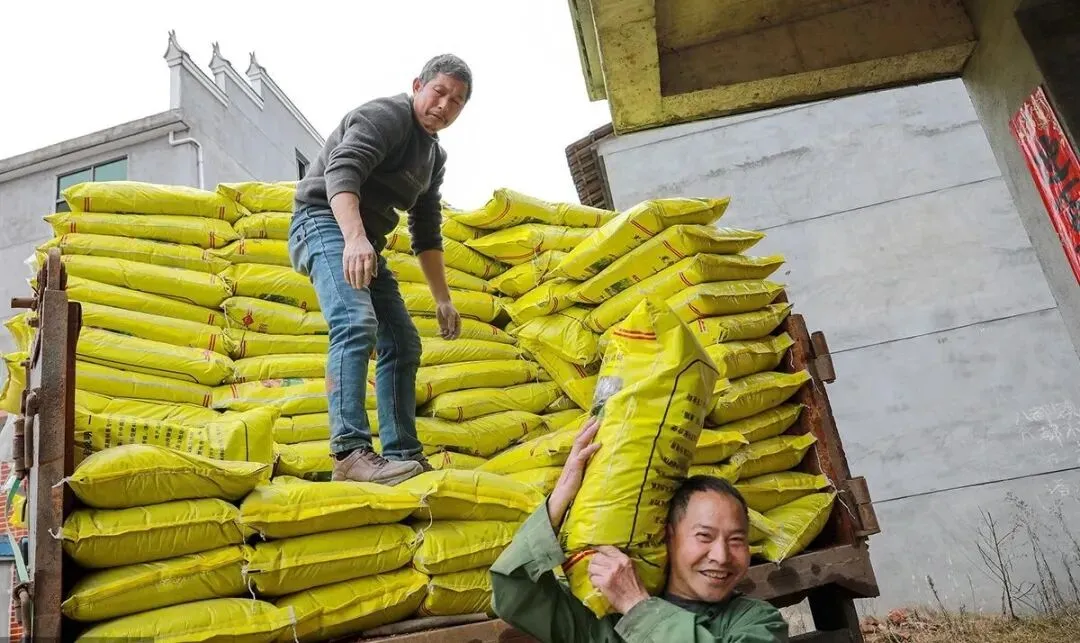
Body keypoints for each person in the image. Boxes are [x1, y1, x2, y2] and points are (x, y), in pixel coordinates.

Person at [289, 54, 472, 485]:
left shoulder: (434, 157)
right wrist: (354, 238)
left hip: (364, 240)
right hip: (322, 219)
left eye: (457, 101)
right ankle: (349, 453)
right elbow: (342, 171)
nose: (444, 105)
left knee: (404, 342)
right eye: (439, 92)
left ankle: (403, 454)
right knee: (355, 320)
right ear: (418, 86)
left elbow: (426, 229)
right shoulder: (387, 116)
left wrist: (443, 299)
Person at [491, 418, 789, 642]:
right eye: (704, 537)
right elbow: (512, 591)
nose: (721, 556)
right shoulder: (603, 621)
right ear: (668, 536)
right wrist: (560, 498)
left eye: (736, 540)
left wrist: (637, 606)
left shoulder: (757, 621)